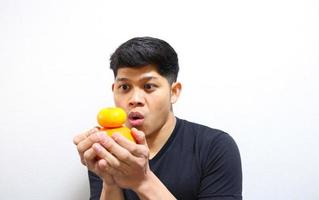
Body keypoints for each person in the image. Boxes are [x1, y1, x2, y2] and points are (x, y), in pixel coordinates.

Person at [73, 36, 242, 200]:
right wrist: (110, 182)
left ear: (173, 92)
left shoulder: (214, 147)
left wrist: (143, 181)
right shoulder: (107, 149)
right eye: (124, 87)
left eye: (149, 86)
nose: (135, 99)